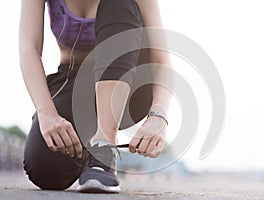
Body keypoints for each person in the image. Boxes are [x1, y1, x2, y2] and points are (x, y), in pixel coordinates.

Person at [19, 0, 173, 193]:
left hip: (131, 85)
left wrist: (158, 115)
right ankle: (89, 153)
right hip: (73, 81)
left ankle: (104, 149)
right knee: (46, 170)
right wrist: (46, 113)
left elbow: (162, 61)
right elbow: (28, 48)